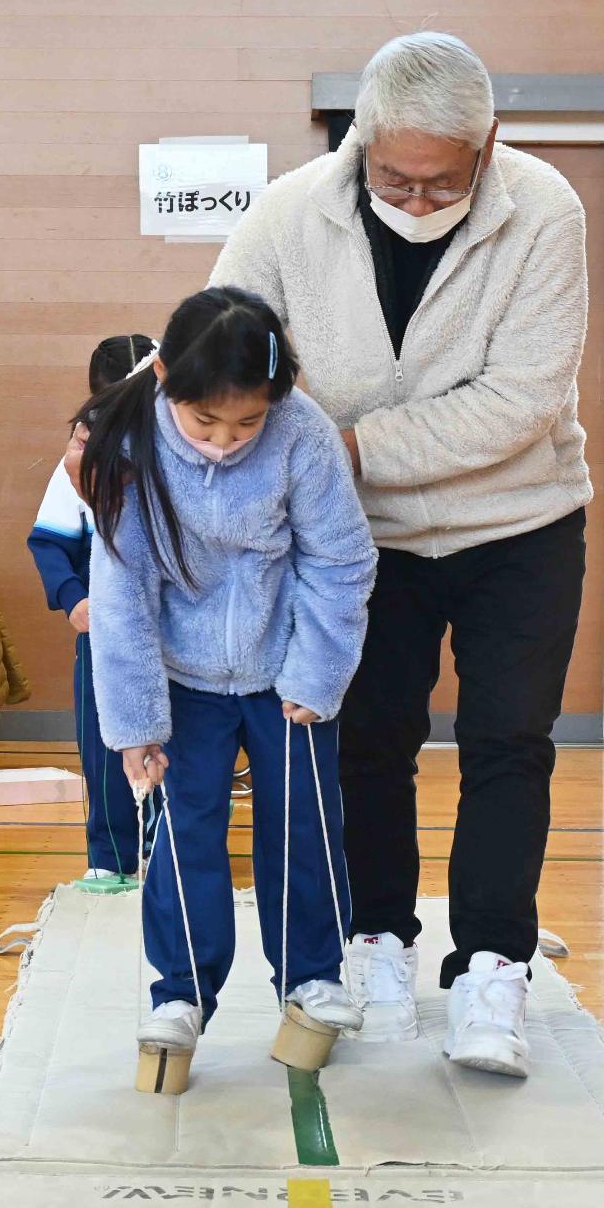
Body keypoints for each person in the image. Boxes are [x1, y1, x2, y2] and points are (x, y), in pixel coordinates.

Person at [209, 32, 591, 1079]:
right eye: (394, 179)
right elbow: (224, 346)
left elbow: (518, 401)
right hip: (356, 539)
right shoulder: (287, 212)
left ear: (488, 147)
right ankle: (377, 938)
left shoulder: (544, 209)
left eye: (441, 183)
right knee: (363, 739)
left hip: (517, 522)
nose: (416, 201)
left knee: (506, 742)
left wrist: (349, 446)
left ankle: (490, 967)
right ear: (360, 142)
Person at [81, 286, 377, 1061]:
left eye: (246, 422)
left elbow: (340, 561)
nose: (223, 441)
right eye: (204, 421)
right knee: (186, 834)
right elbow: (121, 594)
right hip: (183, 679)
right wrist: (137, 723)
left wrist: (315, 677)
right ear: (167, 380)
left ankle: (312, 976)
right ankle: (180, 990)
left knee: (305, 827)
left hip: (286, 674)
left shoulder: (303, 435)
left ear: (275, 399)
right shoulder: (132, 444)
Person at [27, 331, 158, 882]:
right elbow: (51, 544)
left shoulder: (188, 449)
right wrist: (73, 599)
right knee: (104, 746)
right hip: (104, 633)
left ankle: (170, 844)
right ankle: (110, 857)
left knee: (178, 741)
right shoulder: (76, 463)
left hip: (175, 634)